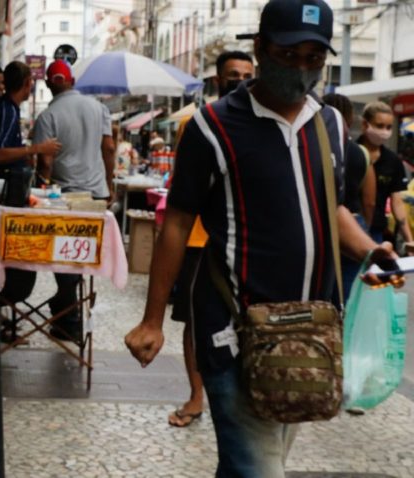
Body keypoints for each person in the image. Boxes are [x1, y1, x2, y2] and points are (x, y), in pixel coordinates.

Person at [124, 1, 401, 476]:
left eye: (314, 58)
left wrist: (369, 247)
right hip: (235, 326)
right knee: (258, 468)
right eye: (289, 54)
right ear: (261, 49)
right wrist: (152, 320)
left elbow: (332, 207)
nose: (300, 69)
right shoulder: (212, 126)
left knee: (252, 462)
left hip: (308, 334)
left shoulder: (330, 124)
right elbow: (177, 220)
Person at [168, 50, 254, 429]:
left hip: (246, 243)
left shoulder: (260, 124)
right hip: (200, 241)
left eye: (247, 74)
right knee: (195, 321)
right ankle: (196, 395)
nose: (240, 79)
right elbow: (183, 197)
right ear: (217, 79)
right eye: (233, 74)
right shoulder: (197, 124)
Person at [34, 59, 116, 341]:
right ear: (71, 81)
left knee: (66, 255)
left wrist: (42, 184)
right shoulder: (98, 108)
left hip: (64, 195)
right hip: (96, 194)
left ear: (48, 84)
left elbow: (45, 160)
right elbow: (109, 147)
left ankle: (68, 313)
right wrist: (109, 182)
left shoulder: (48, 116)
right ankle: (71, 310)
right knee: (85, 256)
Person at [0, 61, 61, 322]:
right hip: (2, 198)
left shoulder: (8, 110)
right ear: (26, 85)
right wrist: (35, 149)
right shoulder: (7, 112)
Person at [322, 93, 377, 297]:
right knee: (348, 289)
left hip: (321, 225)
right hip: (354, 222)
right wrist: (364, 227)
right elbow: (369, 200)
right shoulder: (360, 153)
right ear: (350, 117)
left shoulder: (311, 146)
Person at [357, 101, 413, 246]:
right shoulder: (350, 153)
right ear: (365, 125)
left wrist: (409, 240)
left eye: (389, 127)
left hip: (376, 232)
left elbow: (397, 202)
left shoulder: (392, 160)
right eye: (379, 126)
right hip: (350, 229)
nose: (384, 131)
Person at [0, 61, 61, 176]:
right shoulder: (8, 111)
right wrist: (37, 148)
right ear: (26, 82)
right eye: (31, 81)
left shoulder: (10, 108)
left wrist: (23, 154)